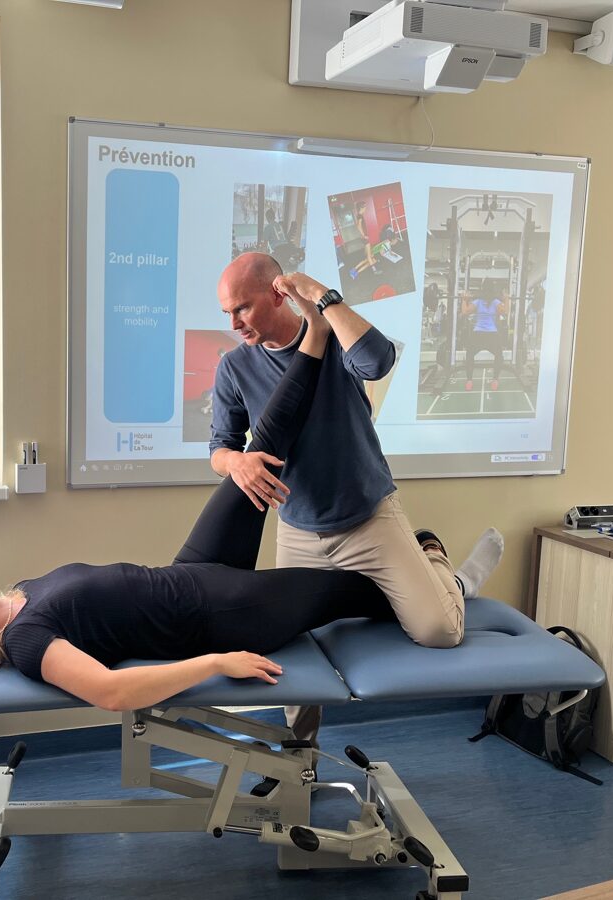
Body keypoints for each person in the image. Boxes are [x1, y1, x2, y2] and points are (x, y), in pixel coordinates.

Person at [0, 293, 397, 712]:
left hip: (191, 571)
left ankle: (316, 332)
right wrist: (216, 663)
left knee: (256, 458)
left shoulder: (23, 592)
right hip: (221, 615)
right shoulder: (24, 640)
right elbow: (112, 693)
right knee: (359, 591)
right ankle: (431, 561)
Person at [210, 253, 504, 770]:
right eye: (227, 313)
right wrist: (237, 463)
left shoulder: (332, 340)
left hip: (369, 517)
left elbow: (378, 361)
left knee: (441, 632)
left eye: (242, 308)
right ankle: (299, 764)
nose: (233, 323)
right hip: (299, 529)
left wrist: (321, 296)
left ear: (277, 294)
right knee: (288, 650)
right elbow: (220, 447)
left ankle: (445, 570)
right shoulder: (235, 367)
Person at [461, 287, 511, 391]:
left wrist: (464, 300)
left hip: (478, 334)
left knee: (469, 355)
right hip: (492, 335)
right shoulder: (496, 302)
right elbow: (506, 312)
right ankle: (495, 380)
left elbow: (465, 312)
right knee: (499, 356)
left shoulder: (477, 302)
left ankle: (469, 381)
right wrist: (506, 299)